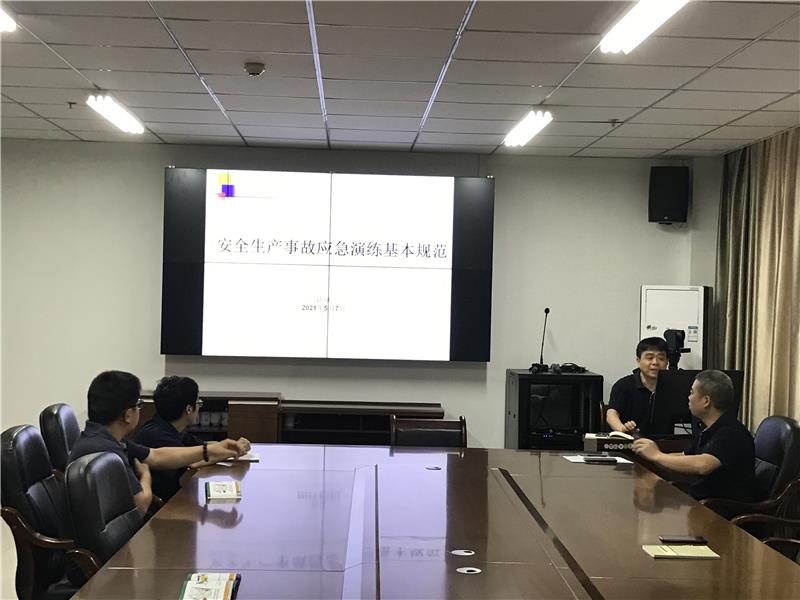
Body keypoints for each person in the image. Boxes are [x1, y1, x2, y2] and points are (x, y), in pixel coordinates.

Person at [69, 370, 246, 515]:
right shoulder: (106, 451)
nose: (140, 408)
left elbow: (156, 456)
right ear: (128, 415)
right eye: (138, 404)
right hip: (123, 542)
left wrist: (210, 449)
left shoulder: (106, 439)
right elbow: (141, 505)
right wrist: (145, 475)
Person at [632, 370, 755, 502]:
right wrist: (649, 455)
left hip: (718, 509)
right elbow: (685, 457)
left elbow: (703, 465)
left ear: (706, 401)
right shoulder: (709, 429)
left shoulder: (731, 433)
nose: (689, 397)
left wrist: (657, 455)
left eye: (692, 392)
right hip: (699, 502)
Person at [135, 376, 251, 501]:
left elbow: (202, 446)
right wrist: (232, 452)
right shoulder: (155, 435)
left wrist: (233, 444)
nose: (199, 408)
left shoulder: (170, 427)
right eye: (198, 403)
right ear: (189, 409)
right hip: (166, 504)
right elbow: (193, 461)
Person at [606, 337, 668, 433]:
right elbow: (611, 414)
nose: (655, 362)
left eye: (661, 358)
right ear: (638, 361)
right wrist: (622, 429)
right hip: (631, 439)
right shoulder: (623, 385)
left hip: (664, 441)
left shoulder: (673, 387)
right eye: (649, 358)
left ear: (667, 362)